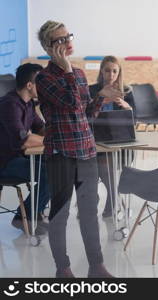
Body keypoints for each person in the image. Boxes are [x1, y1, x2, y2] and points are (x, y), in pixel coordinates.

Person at [35, 20, 122, 278]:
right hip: (61, 153)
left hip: (86, 151)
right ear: (49, 48)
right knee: (60, 214)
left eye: (67, 36)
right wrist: (68, 71)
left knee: (88, 213)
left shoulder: (80, 73)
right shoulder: (44, 78)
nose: (66, 42)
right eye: (59, 39)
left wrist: (100, 98)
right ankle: (63, 269)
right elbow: (71, 102)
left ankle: (97, 266)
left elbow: (84, 113)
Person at [0, 63, 49, 235]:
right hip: (5, 162)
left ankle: (34, 213)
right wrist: (50, 140)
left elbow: (41, 129)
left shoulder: (28, 104)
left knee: (59, 165)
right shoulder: (9, 104)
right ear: (30, 85)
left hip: (19, 156)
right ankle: (24, 217)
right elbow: (25, 141)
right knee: (49, 173)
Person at [89, 55, 134, 218]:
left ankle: (112, 200)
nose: (111, 74)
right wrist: (99, 101)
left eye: (115, 71)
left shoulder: (126, 92)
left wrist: (128, 108)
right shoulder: (92, 91)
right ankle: (104, 199)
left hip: (119, 139)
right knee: (98, 163)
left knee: (104, 162)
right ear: (101, 71)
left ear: (119, 72)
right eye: (107, 70)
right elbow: (85, 116)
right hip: (96, 139)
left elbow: (134, 121)